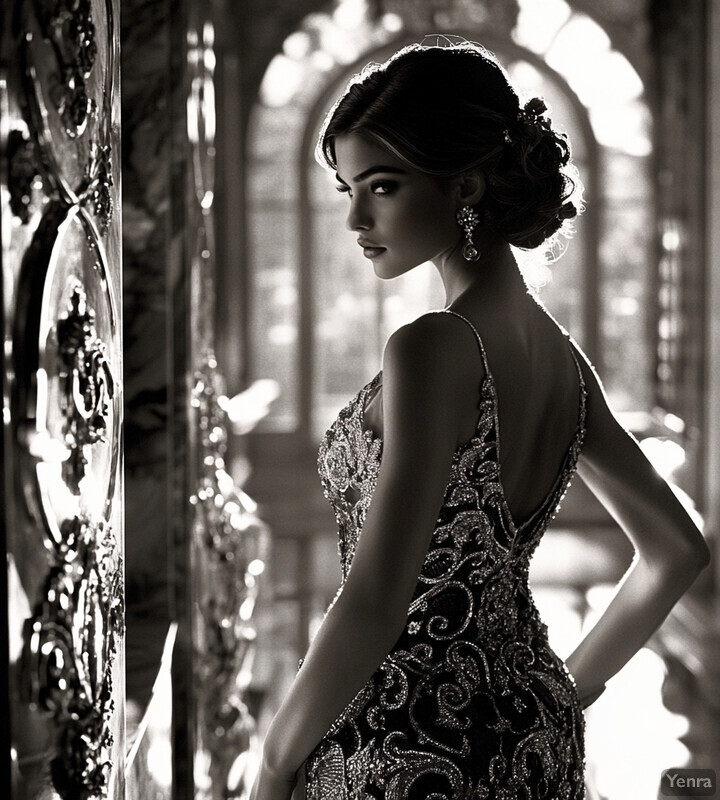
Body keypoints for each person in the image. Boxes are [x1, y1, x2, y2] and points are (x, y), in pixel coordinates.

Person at [250, 41, 710, 800]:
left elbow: (375, 599)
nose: (357, 218)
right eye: (347, 191)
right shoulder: (561, 360)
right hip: (536, 745)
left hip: (401, 750)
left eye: (383, 186)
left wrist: (271, 765)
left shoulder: (433, 347)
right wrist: (564, 693)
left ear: (464, 183)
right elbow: (677, 550)